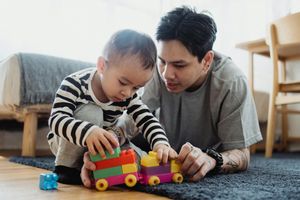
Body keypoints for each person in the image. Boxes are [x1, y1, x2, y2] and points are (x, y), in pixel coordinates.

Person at [81, 6, 262, 187]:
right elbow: (130, 120)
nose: (166, 74)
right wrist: (107, 146)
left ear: (206, 61)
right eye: (162, 61)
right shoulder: (157, 73)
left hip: (198, 154)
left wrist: (211, 159)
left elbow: (242, 154)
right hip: (156, 146)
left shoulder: (231, 82)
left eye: (179, 65)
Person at [47, 29, 177, 185]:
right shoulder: (74, 84)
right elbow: (56, 120)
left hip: (103, 142)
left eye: (137, 87)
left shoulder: (128, 95)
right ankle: (66, 168)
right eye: (122, 82)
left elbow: (147, 119)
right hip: (67, 142)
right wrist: (89, 132)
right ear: (102, 66)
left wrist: (161, 143)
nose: (127, 93)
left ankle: (94, 166)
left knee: (135, 161)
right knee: (91, 113)